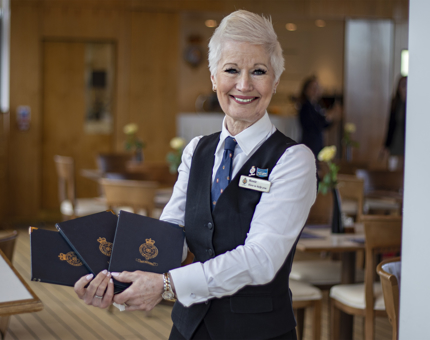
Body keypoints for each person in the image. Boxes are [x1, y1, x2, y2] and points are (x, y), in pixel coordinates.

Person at [74, 10, 316, 340]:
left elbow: (261, 258)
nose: (244, 85)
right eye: (231, 70)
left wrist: (167, 286)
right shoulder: (197, 150)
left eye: (258, 71)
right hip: (188, 329)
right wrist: (116, 283)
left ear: (275, 80)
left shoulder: (293, 159)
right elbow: (170, 234)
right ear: (214, 77)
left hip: (258, 332)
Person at [297, 76, 333, 159]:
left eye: (317, 88)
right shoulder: (305, 106)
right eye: (313, 88)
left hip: (317, 143)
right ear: (306, 90)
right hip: (310, 143)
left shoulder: (317, 105)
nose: (315, 90)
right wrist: (327, 117)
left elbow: (323, 125)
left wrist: (331, 118)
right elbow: (315, 124)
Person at [383, 76, 407, 170]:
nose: (405, 88)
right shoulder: (395, 102)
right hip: (395, 142)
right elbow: (390, 125)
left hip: (405, 142)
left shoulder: (411, 103)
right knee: (392, 169)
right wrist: (386, 145)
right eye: (403, 85)